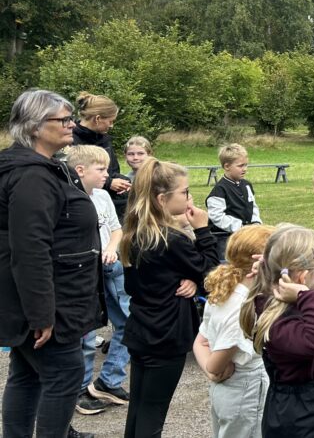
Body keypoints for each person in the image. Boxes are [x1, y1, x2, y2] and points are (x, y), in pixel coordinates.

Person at [0, 89, 102, 438]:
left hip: (41, 297)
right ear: (33, 126)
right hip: (47, 301)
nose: (71, 124)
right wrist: (41, 313)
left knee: (27, 375)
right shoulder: (32, 175)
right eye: (62, 120)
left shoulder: (40, 167)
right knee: (64, 375)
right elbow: (30, 248)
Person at [120, 158, 220, 438]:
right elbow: (212, 275)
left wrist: (190, 280)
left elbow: (135, 285)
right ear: (162, 198)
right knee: (153, 414)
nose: (190, 197)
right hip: (166, 335)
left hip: (142, 329)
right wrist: (202, 229)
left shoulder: (136, 233)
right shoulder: (170, 240)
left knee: (139, 408)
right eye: (185, 192)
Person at [240, 224, 314, 437]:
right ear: (302, 277)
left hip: (310, 415)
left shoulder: (274, 303)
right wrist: (308, 296)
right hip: (304, 422)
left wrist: (271, 266)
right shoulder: (280, 325)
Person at [66, 145, 131, 416]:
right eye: (101, 169)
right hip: (84, 275)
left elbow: (116, 229)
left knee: (129, 322)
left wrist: (112, 248)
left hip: (110, 268)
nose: (107, 174)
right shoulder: (70, 199)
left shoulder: (103, 196)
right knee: (87, 334)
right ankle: (80, 390)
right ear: (80, 170)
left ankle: (109, 381)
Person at [194, 224, 275, 438]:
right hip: (245, 392)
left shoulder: (224, 291)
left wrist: (213, 372)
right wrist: (214, 370)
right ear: (260, 263)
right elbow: (216, 364)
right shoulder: (242, 307)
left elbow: (200, 342)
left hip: (227, 393)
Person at [71, 92, 131, 223]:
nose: (111, 126)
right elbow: (73, 175)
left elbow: (113, 170)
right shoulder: (71, 141)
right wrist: (109, 183)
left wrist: (124, 182)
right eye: (110, 121)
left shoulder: (104, 139)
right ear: (97, 119)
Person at [206, 143, 263, 261]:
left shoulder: (246, 185)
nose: (245, 169)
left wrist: (256, 223)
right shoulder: (219, 190)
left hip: (246, 235)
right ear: (227, 166)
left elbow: (253, 206)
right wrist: (239, 226)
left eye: (246, 165)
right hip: (225, 238)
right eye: (240, 166)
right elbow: (216, 217)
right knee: (228, 265)